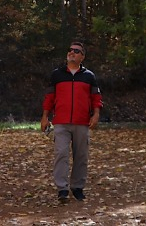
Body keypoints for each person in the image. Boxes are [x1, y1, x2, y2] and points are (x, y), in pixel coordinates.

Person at [41, 40, 103, 202]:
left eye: (76, 51)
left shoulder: (89, 76)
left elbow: (96, 98)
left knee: (81, 155)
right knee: (61, 153)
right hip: (61, 122)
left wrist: (96, 115)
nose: (72, 53)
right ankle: (62, 189)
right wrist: (45, 117)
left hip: (82, 122)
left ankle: (77, 187)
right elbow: (49, 97)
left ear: (82, 56)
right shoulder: (57, 74)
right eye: (70, 50)